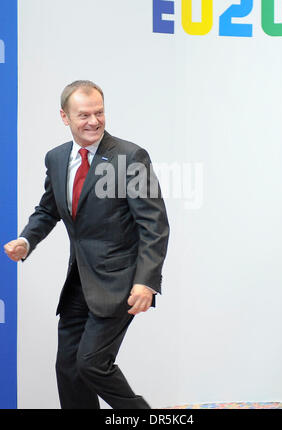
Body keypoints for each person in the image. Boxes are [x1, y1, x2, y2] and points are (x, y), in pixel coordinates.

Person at [4, 80, 169, 409]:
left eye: (99, 112)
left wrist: (145, 281)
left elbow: (154, 224)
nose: (94, 121)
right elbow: (48, 209)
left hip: (120, 282)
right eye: (84, 115)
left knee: (92, 364)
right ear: (64, 117)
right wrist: (26, 239)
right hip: (78, 281)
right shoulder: (56, 158)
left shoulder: (128, 156)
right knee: (68, 369)